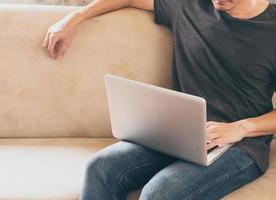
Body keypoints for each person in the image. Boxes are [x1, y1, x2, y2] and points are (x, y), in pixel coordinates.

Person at [43, 0, 276, 199]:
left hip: (239, 144)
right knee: (100, 167)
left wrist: (243, 127)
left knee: (160, 192)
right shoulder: (189, 5)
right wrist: (75, 18)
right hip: (180, 133)